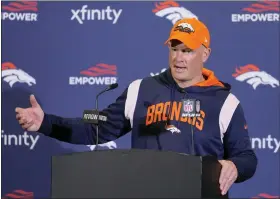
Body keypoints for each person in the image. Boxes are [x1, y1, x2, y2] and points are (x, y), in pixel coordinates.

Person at [15, 18, 257, 195]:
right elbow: (96, 128)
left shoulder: (225, 102)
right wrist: (45, 123)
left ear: (205, 54)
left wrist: (234, 166)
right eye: (174, 49)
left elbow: (247, 157)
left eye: (187, 51)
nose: (178, 58)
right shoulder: (141, 90)